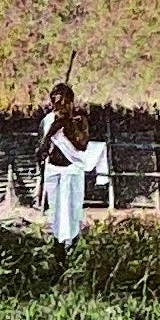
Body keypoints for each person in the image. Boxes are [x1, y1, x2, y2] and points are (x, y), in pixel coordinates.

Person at [37, 83, 92, 273]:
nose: (57, 107)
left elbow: (81, 144)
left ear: (70, 103)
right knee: (56, 214)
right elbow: (41, 148)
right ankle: (58, 253)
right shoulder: (47, 121)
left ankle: (74, 252)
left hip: (72, 171)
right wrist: (52, 129)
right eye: (54, 102)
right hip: (54, 170)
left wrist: (65, 124)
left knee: (72, 212)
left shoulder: (79, 120)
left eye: (62, 102)